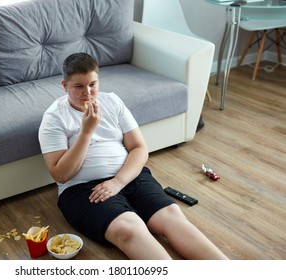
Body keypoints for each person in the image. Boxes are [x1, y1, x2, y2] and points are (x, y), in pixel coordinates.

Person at [38, 52, 228, 260]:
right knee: (130, 229)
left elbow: (139, 148)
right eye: (79, 86)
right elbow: (61, 174)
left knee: (172, 218)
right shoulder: (54, 118)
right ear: (65, 86)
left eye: (93, 84)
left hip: (129, 176)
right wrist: (86, 132)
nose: (88, 93)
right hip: (82, 189)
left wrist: (118, 182)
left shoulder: (112, 102)